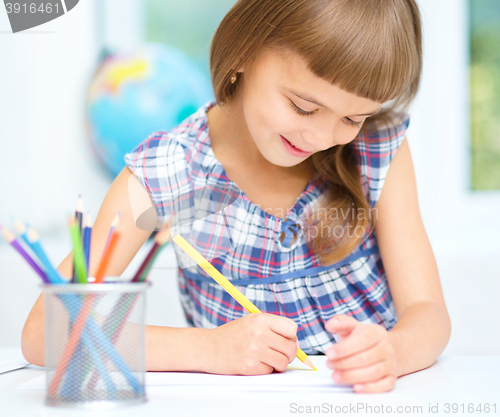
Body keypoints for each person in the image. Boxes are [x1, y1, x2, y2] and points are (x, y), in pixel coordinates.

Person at [22, 0, 451, 393]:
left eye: (352, 117)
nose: (322, 137)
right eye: (303, 107)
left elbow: (428, 312)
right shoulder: (169, 174)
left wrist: (392, 352)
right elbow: (44, 332)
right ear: (245, 51)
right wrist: (205, 349)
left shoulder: (374, 147)